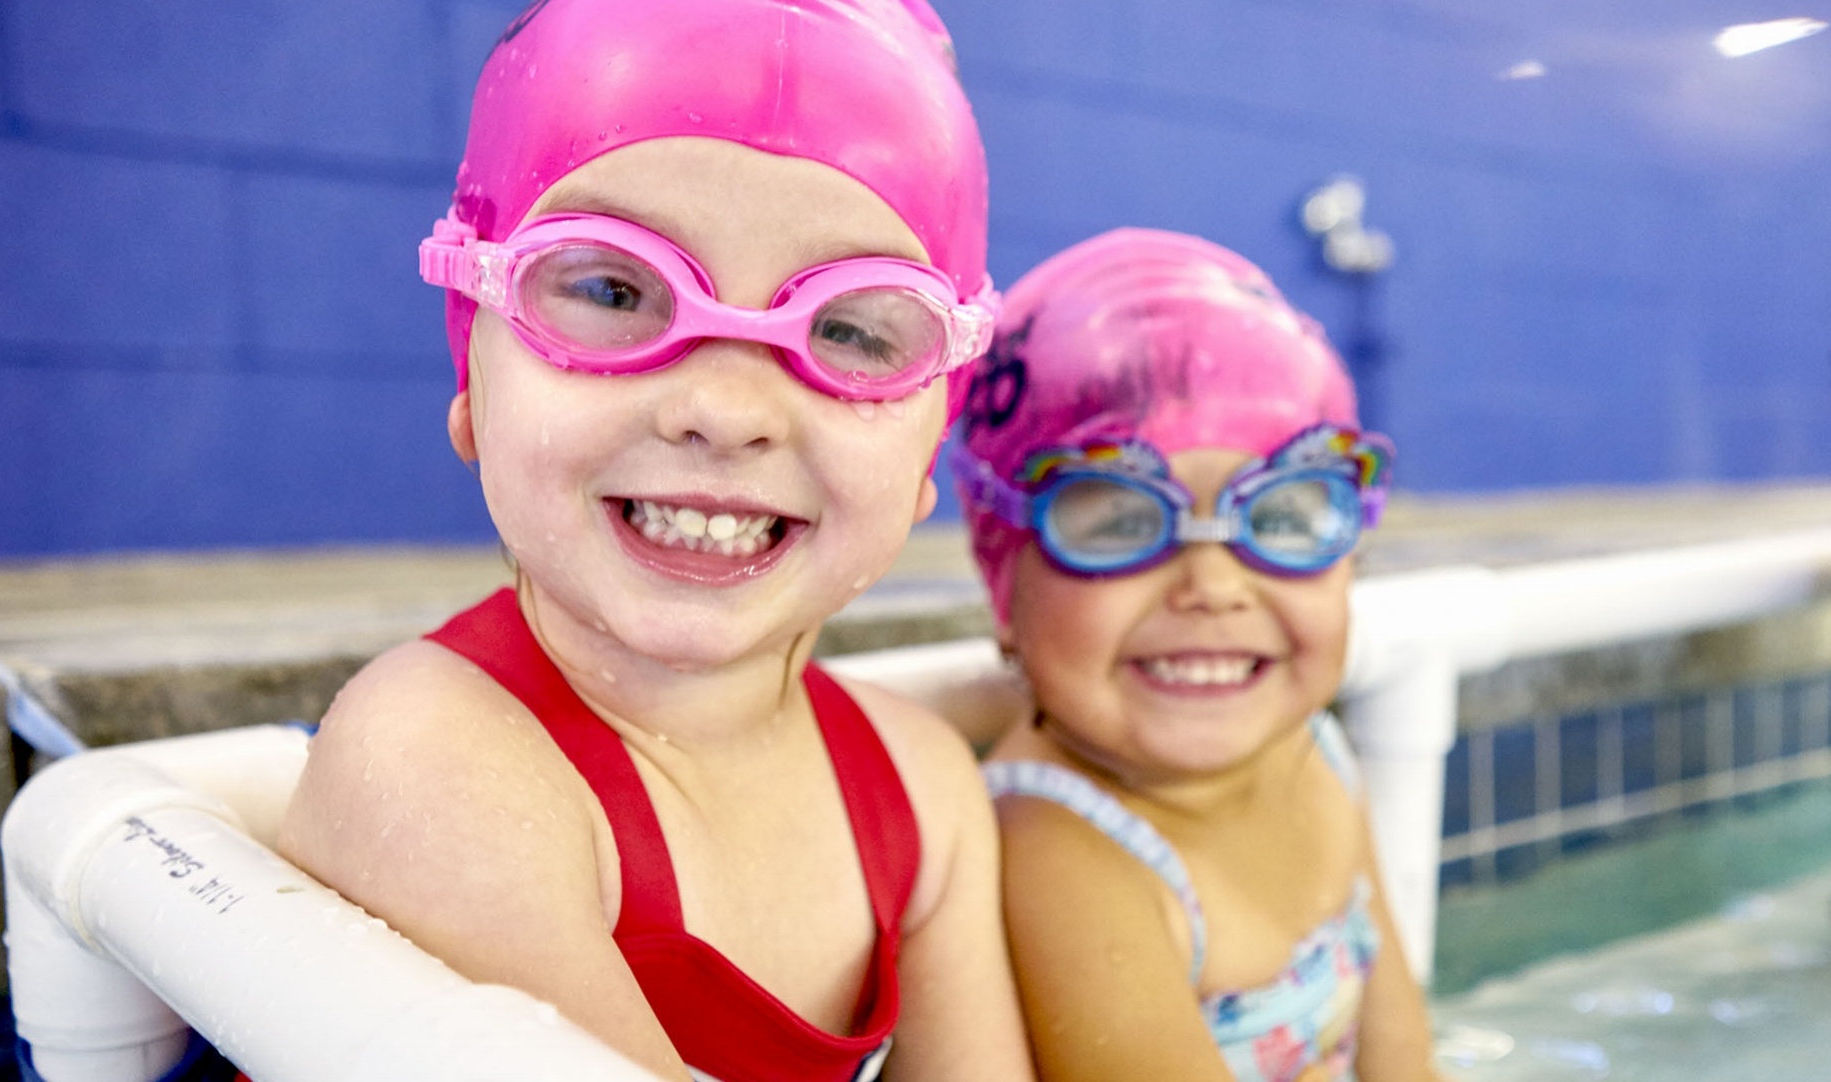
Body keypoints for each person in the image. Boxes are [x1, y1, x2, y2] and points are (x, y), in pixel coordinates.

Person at [271, 3, 1034, 1081]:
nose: (726, 408)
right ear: (475, 389)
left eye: (855, 329)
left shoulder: (924, 786)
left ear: (927, 452)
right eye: (616, 289)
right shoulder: (439, 760)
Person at [951, 228, 1440, 1081]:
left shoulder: (1315, 748)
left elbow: (1410, 1067)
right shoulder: (1061, 854)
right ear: (1005, 581)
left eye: (1282, 518)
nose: (1213, 585)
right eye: (1120, 523)